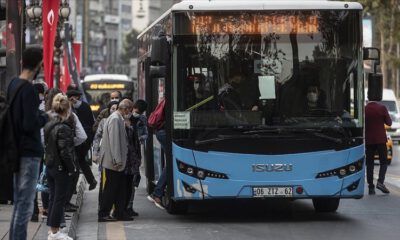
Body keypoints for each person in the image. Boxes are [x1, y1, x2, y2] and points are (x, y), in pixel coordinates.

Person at [8, 47, 49, 240]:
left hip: (15, 149)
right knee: (25, 206)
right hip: (29, 152)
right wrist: (44, 116)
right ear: (39, 64)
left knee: (19, 203)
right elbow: (30, 123)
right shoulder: (29, 90)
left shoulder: (13, 85)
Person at [44, 93, 76, 240]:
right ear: (66, 110)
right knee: (59, 199)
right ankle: (55, 232)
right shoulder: (64, 128)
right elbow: (66, 152)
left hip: (50, 165)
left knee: (53, 198)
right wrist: (72, 168)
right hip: (60, 168)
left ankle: (52, 231)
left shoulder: (49, 124)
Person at [98, 99, 134, 222]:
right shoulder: (115, 119)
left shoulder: (118, 118)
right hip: (114, 162)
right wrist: (117, 160)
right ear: (124, 108)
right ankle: (103, 213)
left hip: (116, 161)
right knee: (111, 188)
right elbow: (114, 142)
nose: (129, 113)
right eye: (129, 110)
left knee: (120, 188)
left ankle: (119, 212)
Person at [66, 89, 97, 192]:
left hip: (83, 139)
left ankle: (75, 187)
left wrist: (89, 140)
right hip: (78, 138)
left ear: (77, 97)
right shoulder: (70, 107)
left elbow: (90, 124)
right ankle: (90, 180)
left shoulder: (83, 107)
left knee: (77, 161)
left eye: (72, 98)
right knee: (79, 161)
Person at [124, 99, 148, 216]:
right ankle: (122, 206)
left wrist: (139, 139)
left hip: (135, 154)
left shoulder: (142, 119)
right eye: (135, 110)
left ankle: (129, 206)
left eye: (139, 112)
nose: (136, 113)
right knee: (125, 181)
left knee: (133, 180)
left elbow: (145, 134)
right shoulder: (124, 118)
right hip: (125, 153)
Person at [365, 100, 392, 195]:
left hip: (369, 141)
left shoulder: (365, 109)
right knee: (384, 162)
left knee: (369, 164)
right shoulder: (382, 108)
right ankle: (380, 182)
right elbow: (389, 123)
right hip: (380, 140)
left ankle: (371, 187)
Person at [147, 99, 167, 209]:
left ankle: (157, 193)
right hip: (164, 132)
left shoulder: (164, 100)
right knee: (172, 163)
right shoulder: (172, 99)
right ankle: (157, 193)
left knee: (170, 162)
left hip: (161, 132)